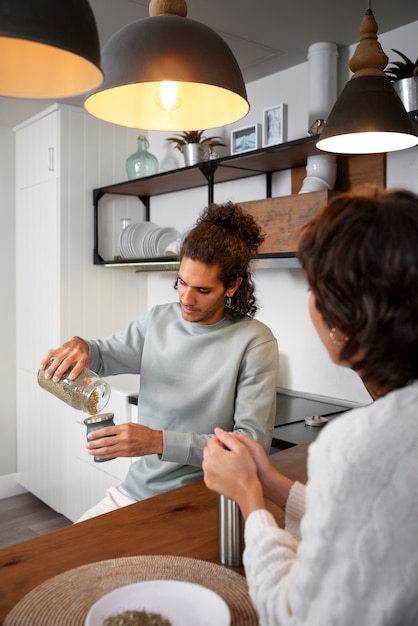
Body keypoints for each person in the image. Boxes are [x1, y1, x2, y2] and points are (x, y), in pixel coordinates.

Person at [203, 188, 418, 626]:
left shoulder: (357, 444)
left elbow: (295, 614)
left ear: (344, 317)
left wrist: (250, 498)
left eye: (314, 287)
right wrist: (273, 484)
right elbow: (367, 519)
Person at [39, 202, 279, 521]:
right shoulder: (158, 321)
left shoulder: (254, 341)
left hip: (208, 499)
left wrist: (156, 441)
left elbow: (249, 446)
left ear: (232, 286)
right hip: (135, 492)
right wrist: (81, 347)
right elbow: (103, 354)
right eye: (181, 282)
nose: (186, 299)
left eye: (203, 290)